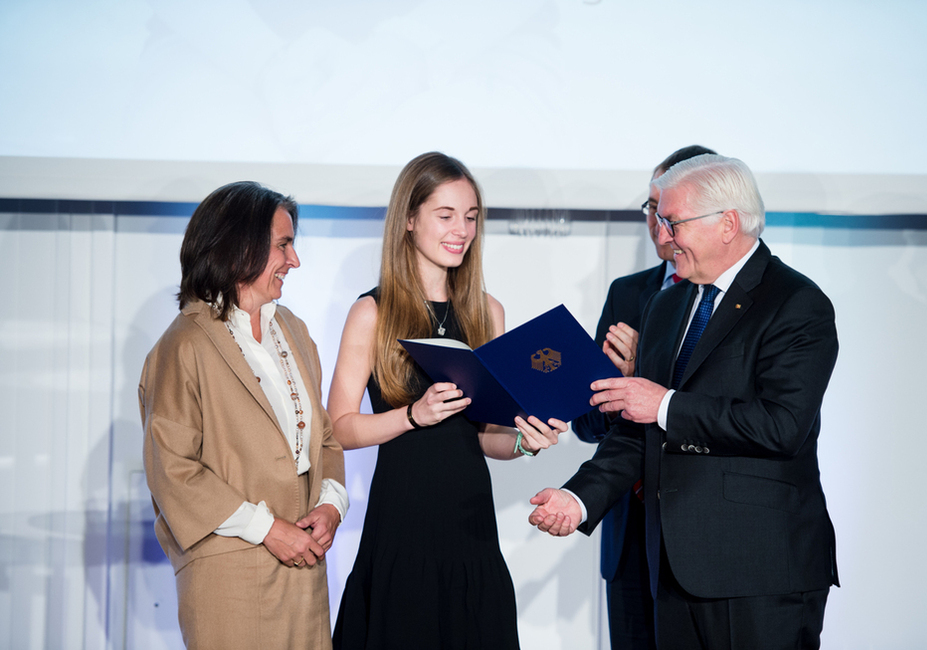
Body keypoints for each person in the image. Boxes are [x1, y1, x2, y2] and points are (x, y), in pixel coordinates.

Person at [530, 155, 839, 649]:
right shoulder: (667, 304)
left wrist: (667, 405)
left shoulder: (797, 303)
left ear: (728, 224)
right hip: (672, 572)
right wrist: (579, 497)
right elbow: (636, 423)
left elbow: (782, 426)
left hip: (761, 576)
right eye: (658, 219)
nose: (663, 235)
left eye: (673, 221)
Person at [328, 151, 568, 649]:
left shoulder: (488, 311)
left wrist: (526, 442)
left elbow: (489, 439)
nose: (461, 229)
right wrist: (413, 415)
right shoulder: (372, 312)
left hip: (471, 527)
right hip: (401, 525)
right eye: (446, 215)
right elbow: (340, 430)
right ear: (410, 220)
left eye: (471, 217)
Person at [140, 181, 348, 650]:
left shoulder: (293, 329)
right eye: (283, 245)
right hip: (228, 573)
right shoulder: (183, 345)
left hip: (304, 571)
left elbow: (326, 439)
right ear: (239, 247)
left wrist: (332, 506)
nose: (294, 261)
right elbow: (172, 469)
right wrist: (269, 530)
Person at [572, 145, 715, 650]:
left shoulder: (737, 300)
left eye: (670, 210)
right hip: (629, 530)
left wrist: (647, 378)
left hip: (700, 531)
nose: (659, 223)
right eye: (652, 208)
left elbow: (725, 412)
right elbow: (584, 424)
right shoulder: (627, 294)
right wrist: (610, 390)